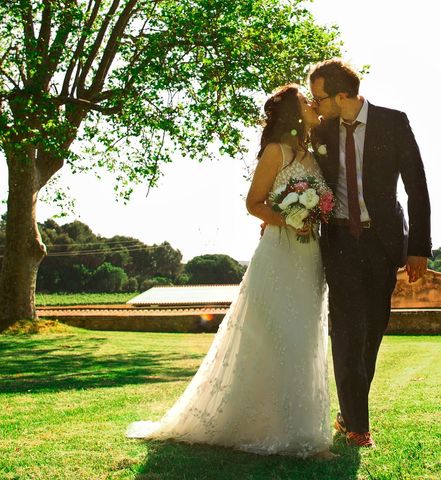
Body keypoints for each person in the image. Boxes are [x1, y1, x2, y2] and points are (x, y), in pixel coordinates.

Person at [126, 84, 336, 460]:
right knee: (278, 336)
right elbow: (253, 203)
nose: (312, 104)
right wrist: (289, 219)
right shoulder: (276, 152)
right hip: (279, 255)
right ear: (292, 111)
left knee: (304, 338)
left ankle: (296, 427)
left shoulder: (313, 154)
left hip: (310, 259)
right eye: (306, 100)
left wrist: (313, 214)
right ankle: (293, 435)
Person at [308, 59, 431, 447]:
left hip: (383, 245)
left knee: (370, 335)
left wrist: (419, 248)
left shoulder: (394, 122)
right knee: (345, 333)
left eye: (320, 98)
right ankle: (359, 428)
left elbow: (417, 188)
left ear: (343, 95)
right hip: (340, 243)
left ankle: (349, 413)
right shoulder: (320, 130)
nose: (316, 106)